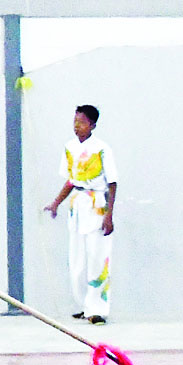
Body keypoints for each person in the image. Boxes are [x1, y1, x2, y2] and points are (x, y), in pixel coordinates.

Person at [44, 105, 118, 325]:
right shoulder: (69, 148)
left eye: (82, 122)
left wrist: (109, 215)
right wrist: (56, 203)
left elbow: (112, 183)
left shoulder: (102, 149)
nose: (77, 126)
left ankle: (98, 309)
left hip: (97, 205)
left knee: (97, 257)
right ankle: (83, 305)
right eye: (75, 122)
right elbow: (71, 180)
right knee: (76, 260)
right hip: (77, 207)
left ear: (92, 125)